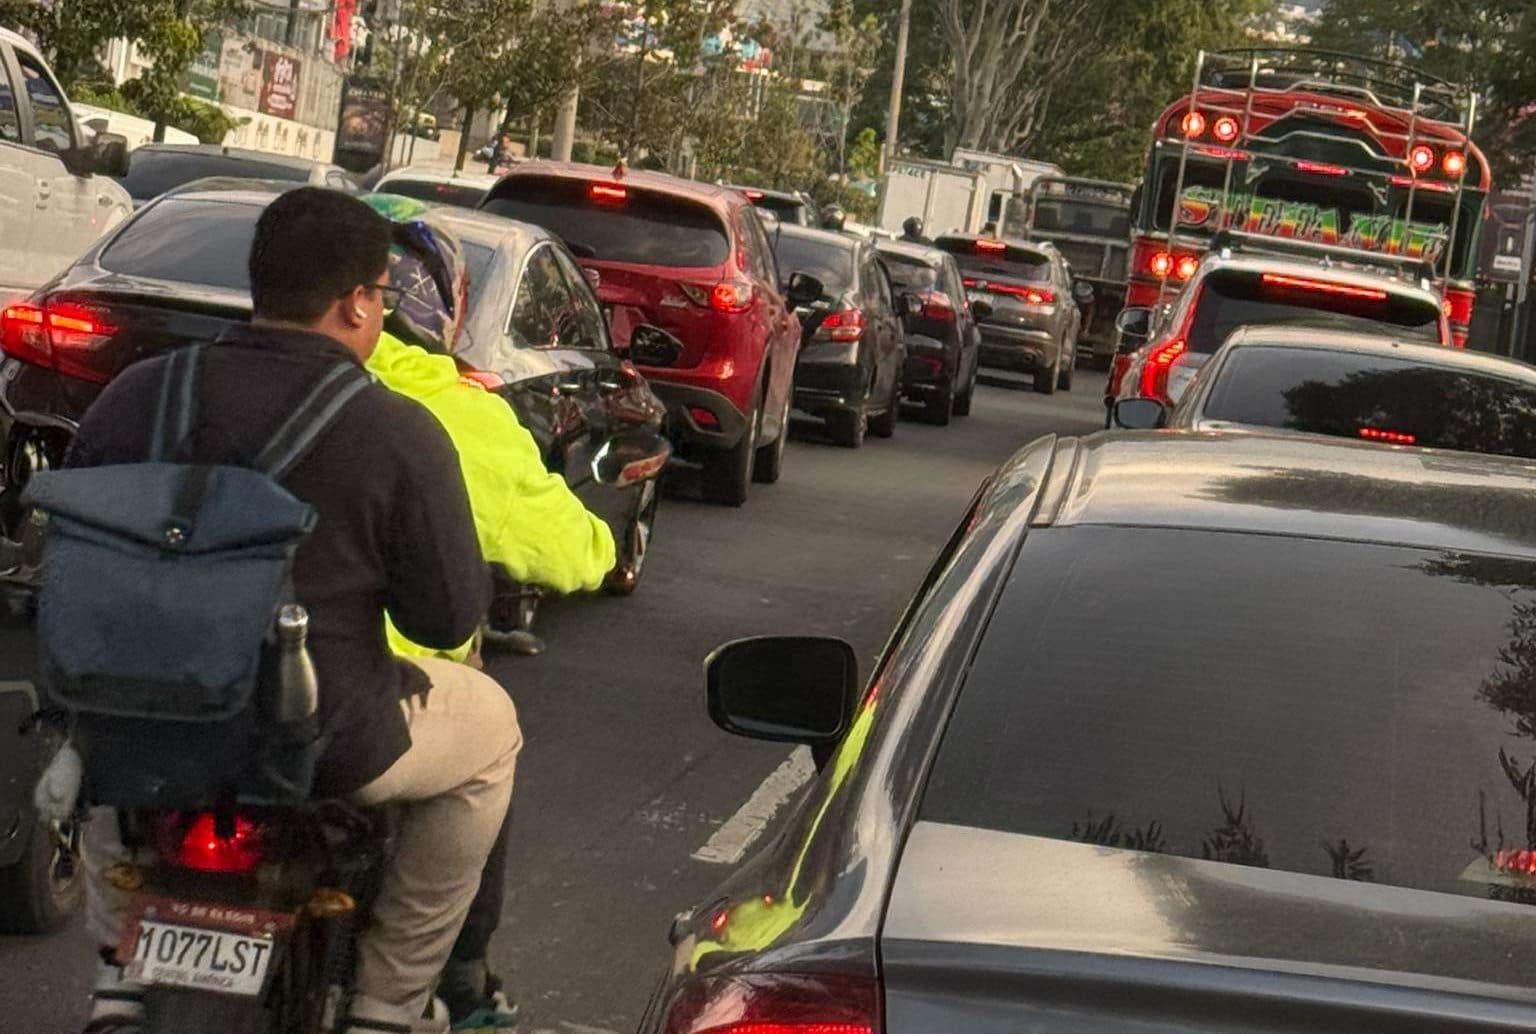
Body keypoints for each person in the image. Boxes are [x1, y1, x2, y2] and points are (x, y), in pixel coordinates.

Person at [73, 188, 520, 1034]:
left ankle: (115, 974)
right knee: (492, 732)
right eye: (381, 295)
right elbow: (444, 619)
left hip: (146, 715)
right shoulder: (398, 431)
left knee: (108, 743)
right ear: (357, 300)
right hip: (325, 740)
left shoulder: (135, 395)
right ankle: (390, 1005)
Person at [359, 195, 616, 1029]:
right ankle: (449, 978)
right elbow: (574, 549)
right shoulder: (460, 414)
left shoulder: (245, 381)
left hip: (207, 676)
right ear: (439, 309)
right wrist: (602, 548)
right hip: (378, 696)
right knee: (488, 744)